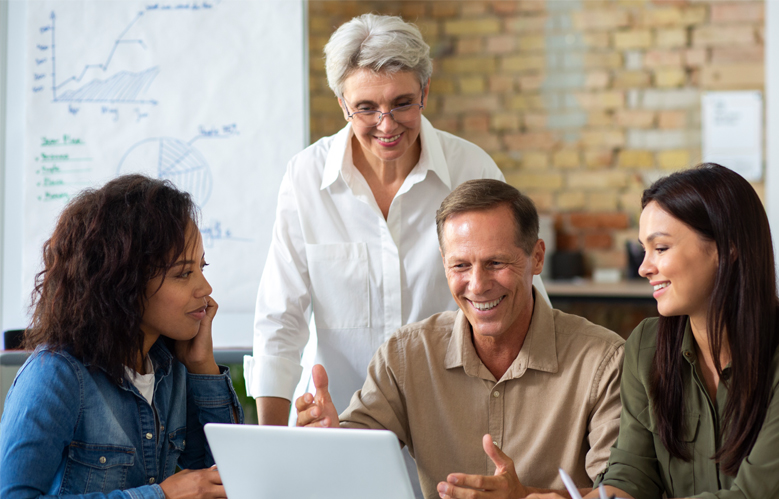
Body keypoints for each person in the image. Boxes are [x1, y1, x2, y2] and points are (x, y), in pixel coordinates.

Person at [246, 13, 548, 424]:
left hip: (455, 422)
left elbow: (524, 303)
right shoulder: (306, 178)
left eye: (402, 103)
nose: (386, 126)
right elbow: (280, 320)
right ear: (342, 104)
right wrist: (272, 443)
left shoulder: (470, 169)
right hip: (338, 424)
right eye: (366, 108)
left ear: (424, 90)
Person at [528, 164, 779, 499]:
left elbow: (754, 496)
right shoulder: (647, 345)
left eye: (661, 248)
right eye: (643, 249)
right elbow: (632, 474)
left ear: (728, 248)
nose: (644, 267)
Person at [296, 179, 624, 499]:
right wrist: (328, 439)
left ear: (536, 257)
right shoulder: (406, 356)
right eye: (461, 265)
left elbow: (620, 492)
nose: (477, 285)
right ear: (444, 262)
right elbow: (352, 464)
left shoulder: (603, 361)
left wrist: (524, 496)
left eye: (495, 263)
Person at [0, 175, 243, 499]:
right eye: (184, 273)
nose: (205, 288)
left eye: (202, 267)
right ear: (124, 284)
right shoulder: (53, 376)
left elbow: (230, 476)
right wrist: (160, 496)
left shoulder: (169, 369)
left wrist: (202, 366)